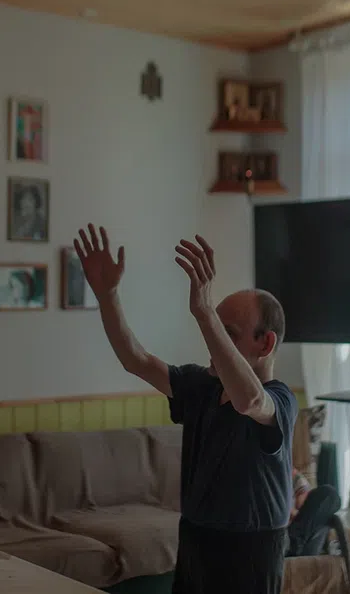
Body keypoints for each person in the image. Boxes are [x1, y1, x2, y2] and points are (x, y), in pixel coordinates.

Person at [73, 224, 297, 594]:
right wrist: (107, 295)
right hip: (195, 538)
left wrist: (205, 311)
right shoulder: (201, 385)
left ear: (265, 343)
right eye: (214, 329)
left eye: (227, 332)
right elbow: (135, 359)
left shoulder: (281, 399)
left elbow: (251, 401)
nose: (212, 340)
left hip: (252, 549)